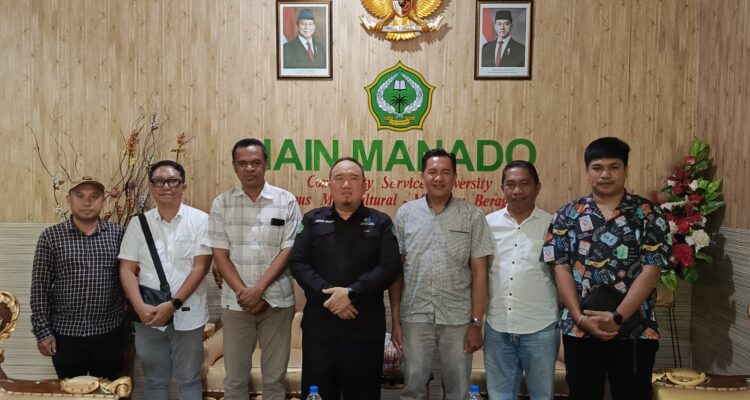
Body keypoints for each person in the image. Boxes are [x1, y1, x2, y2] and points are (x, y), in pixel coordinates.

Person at [541, 137, 672, 400]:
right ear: (587, 172)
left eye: (614, 167)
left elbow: (651, 271)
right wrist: (579, 318)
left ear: (626, 170)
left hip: (635, 330)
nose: (605, 174)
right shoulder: (568, 214)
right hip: (580, 328)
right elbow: (560, 268)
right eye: (598, 167)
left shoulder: (649, 214)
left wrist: (618, 318)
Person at [289, 157, 400, 400]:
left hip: (365, 328)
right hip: (320, 327)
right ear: (329, 185)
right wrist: (330, 295)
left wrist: (351, 293)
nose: (346, 184)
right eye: (339, 179)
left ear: (365, 185)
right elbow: (298, 263)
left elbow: (389, 267)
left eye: (353, 178)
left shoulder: (381, 222)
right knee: (318, 394)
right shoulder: (312, 220)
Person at [390, 148, 494, 400]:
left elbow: (480, 274)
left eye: (446, 172)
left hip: (458, 317)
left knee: (458, 390)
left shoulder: (472, 216)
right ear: (422, 175)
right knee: (413, 388)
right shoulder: (406, 214)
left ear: (455, 177)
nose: (439, 178)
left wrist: (476, 323)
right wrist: (395, 320)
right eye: (433, 172)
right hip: (415, 314)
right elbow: (397, 271)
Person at [208, 138, 301, 400]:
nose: (249, 168)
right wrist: (245, 292)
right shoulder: (222, 203)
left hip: (277, 303)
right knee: (235, 380)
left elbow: (288, 250)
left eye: (255, 162)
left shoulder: (286, 201)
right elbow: (220, 254)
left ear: (266, 164)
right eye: (243, 163)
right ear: (235, 167)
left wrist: (258, 289)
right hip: (236, 304)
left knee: (274, 380)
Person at [119, 160, 212, 400]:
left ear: (184, 186)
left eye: (173, 181)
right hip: (148, 315)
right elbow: (127, 269)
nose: (166, 186)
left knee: (189, 381)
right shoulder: (138, 223)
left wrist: (173, 304)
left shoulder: (201, 220)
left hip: (189, 314)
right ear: (151, 187)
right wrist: (140, 308)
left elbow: (200, 267)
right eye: (159, 182)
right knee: (154, 381)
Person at [30, 176, 126, 380]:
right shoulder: (51, 237)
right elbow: (39, 287)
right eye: (80, 196)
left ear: (103, 201)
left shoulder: (118, 235)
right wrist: (43, 331)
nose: (87, 202)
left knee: (109, 391)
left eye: (94, 196)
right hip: (66, 333)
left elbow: (129, 281)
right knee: (70, 390)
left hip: (109, 332)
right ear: (69, 199)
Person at [484, 161, 559, 400]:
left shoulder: (553, 225)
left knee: (542, 396)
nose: (517, 190)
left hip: (541, 328)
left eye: (524, 184)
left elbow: (561, 275)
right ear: (503, 188)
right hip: (498, 327)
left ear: (537, 187)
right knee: (499, 396)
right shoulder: (488, 224)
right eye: (510, 184)